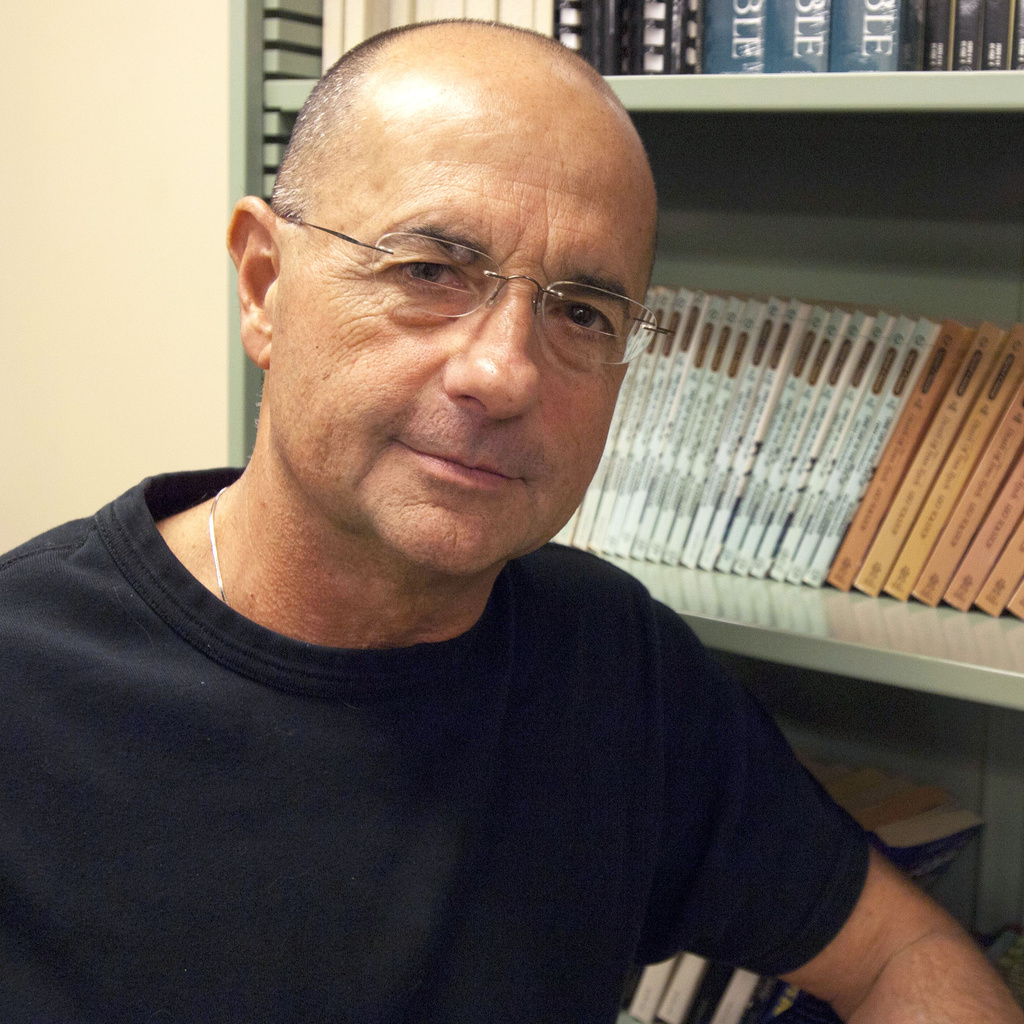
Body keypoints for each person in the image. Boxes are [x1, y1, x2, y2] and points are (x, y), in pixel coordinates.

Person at [0, 19, 1019, 1024]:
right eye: (429, 271)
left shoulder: (616, 667)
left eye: (580, 311)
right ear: (266, 284)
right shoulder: (28, 685)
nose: (503, 371)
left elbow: (904, 951)